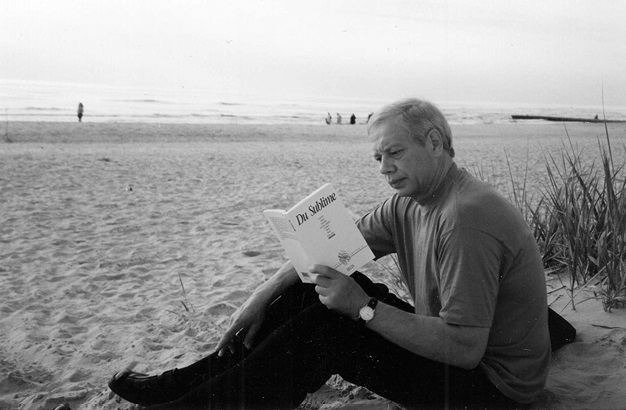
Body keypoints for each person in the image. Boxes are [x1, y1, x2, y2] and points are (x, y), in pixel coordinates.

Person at [108, 98, 551, 409]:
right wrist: (261, 295)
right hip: (454, 354)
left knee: (329, 328)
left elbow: (466, 348)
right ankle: (186, 386)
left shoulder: (465, 217)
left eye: (395, 153)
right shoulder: (411, 201)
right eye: (377, 157)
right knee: (311, 287)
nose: (384, 168)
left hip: (493, 389)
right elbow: (330, 251)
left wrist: (364, 309)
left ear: (435, 142)